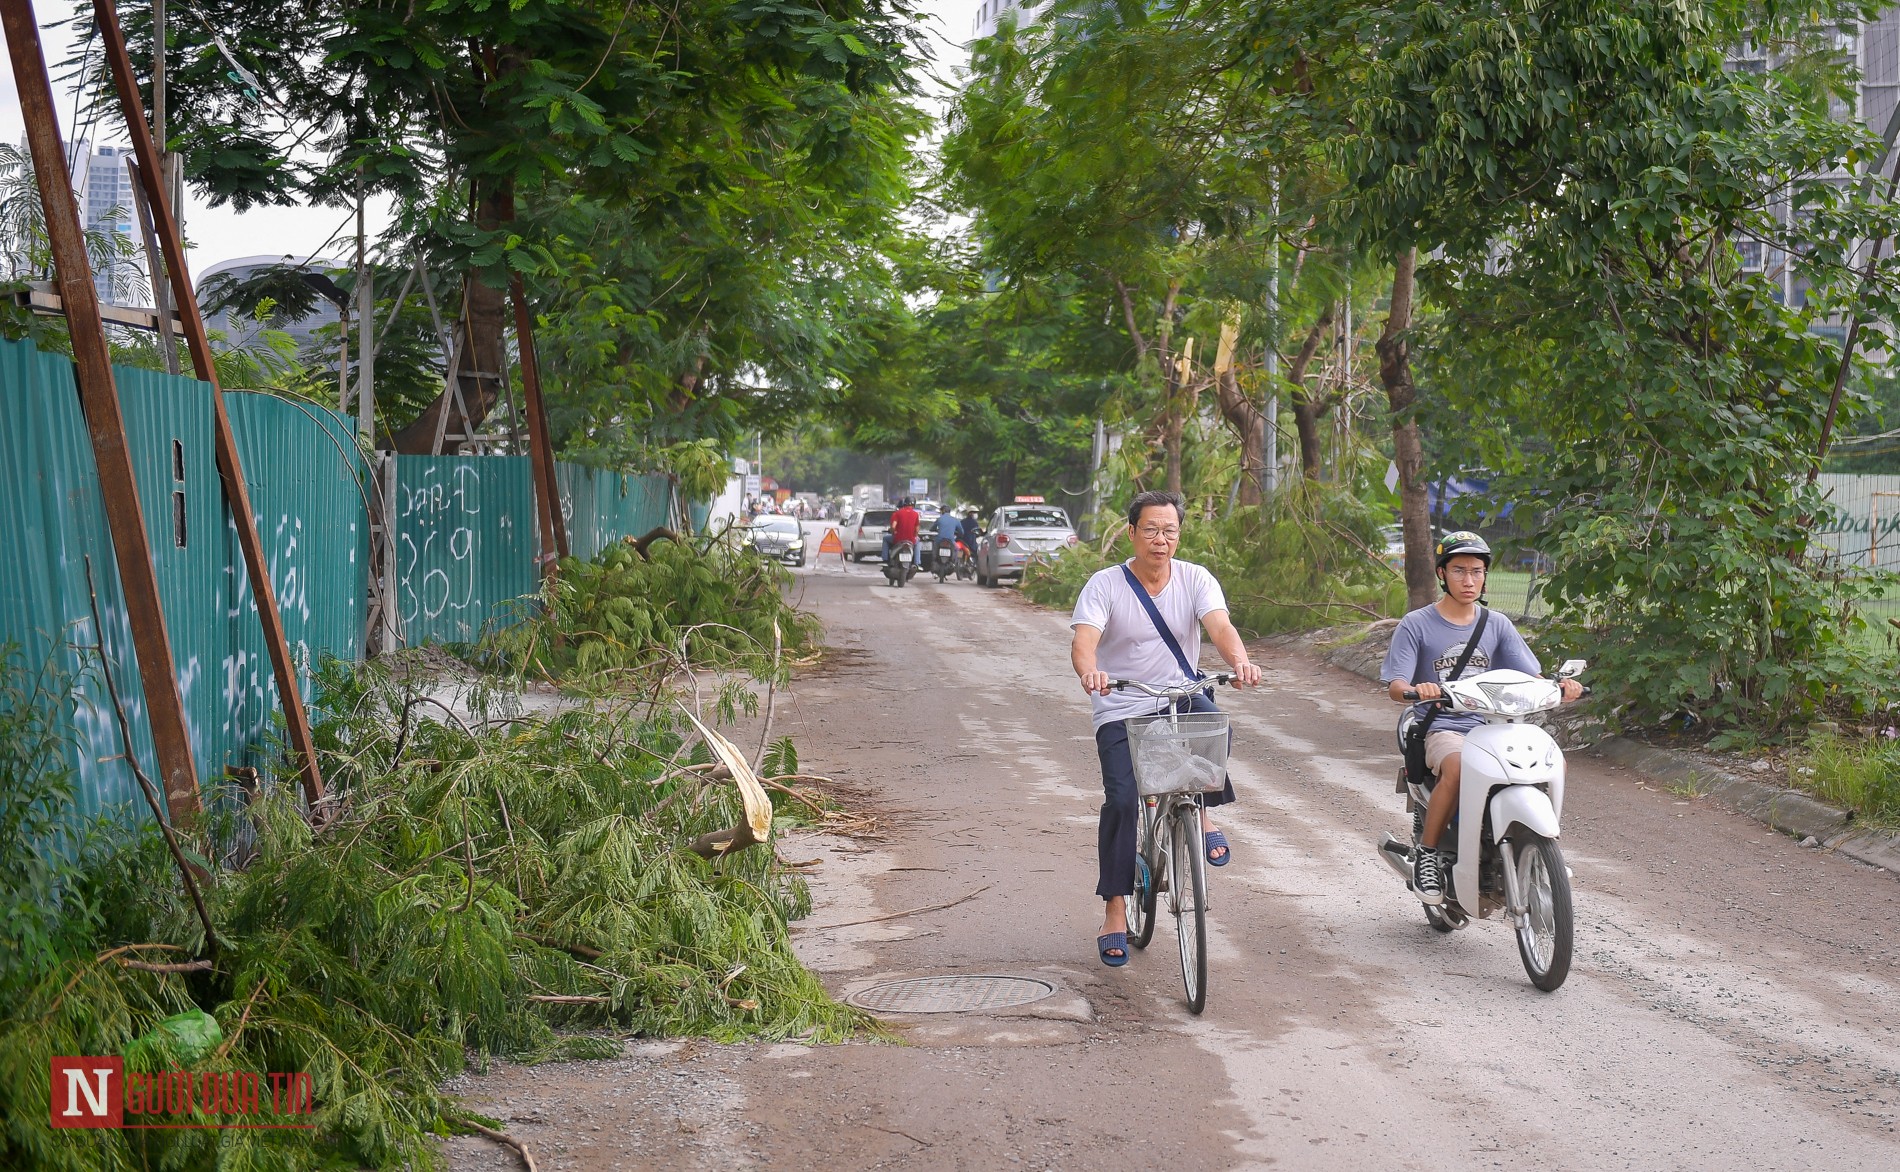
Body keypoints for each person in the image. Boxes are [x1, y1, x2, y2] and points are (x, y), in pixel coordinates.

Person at [1070, 490, 1262, 967]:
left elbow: (1219, 626)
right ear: (1132, 532)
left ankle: (1200, 812)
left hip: (1178, 694)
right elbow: (1084, 640)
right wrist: (1090, 673)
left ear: (1180, 534)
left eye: (1170, 530)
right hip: (1122, 703)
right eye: (1151, 530)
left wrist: (1240, 661)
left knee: (1214, 723)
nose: (1161, 539)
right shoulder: (1105, 584)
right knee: (1121, 800)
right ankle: (1115, 909)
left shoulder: (1196, 578)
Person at [1380, 531, 1582, 905]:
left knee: (1554, 762)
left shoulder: (1497, 625)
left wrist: (1561, 686)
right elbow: (1396, 686)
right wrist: (1418, 689)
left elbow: (1531, 677)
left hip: (1497, 727)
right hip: (1442, 727)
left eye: (1477, 571)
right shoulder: (1417, 624)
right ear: (1442, 574)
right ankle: (1427, 853)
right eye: (1459, 571)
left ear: (1486, 575)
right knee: (1457, 768)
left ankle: (1544, 846)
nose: (1469, 580)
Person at [884, 496, 920, 563]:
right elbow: (917, 529)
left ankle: (885, 559)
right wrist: (915, 536)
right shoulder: (916, 514)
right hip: (911, 540)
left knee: (885, 538)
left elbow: (893, 527)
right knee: (918, 541)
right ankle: (917, 562)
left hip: (898, 539)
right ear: (914, 504)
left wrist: (892, 532)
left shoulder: (897, 513)